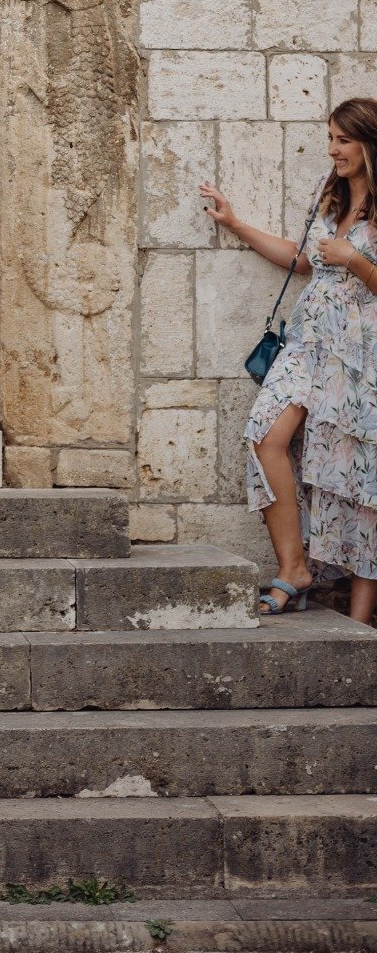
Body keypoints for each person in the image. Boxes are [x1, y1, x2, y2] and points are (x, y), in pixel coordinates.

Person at [201, 97, 377, 623]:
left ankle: (360, 615)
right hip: (305, 344)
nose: (333, 150)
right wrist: (236, 224)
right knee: (264, 435)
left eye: (342, 140)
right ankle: (294, 565)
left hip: (360, 354)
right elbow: (302, 262)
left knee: (358, 473)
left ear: (368, 144)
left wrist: (356, 260)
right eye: (330, 138)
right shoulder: (330, 199)